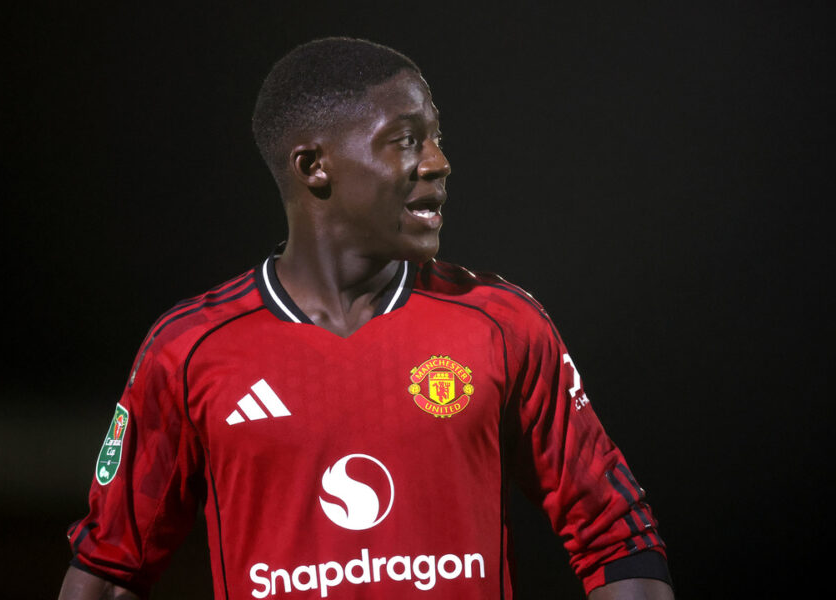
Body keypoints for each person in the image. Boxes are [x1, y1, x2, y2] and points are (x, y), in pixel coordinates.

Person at [57, 37, 674, 600]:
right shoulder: (191, 349)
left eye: (435, 138)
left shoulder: (500, 324)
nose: (438, 162)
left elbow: (618, 538)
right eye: (406, 140)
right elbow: (111, 572)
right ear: (313, 166)